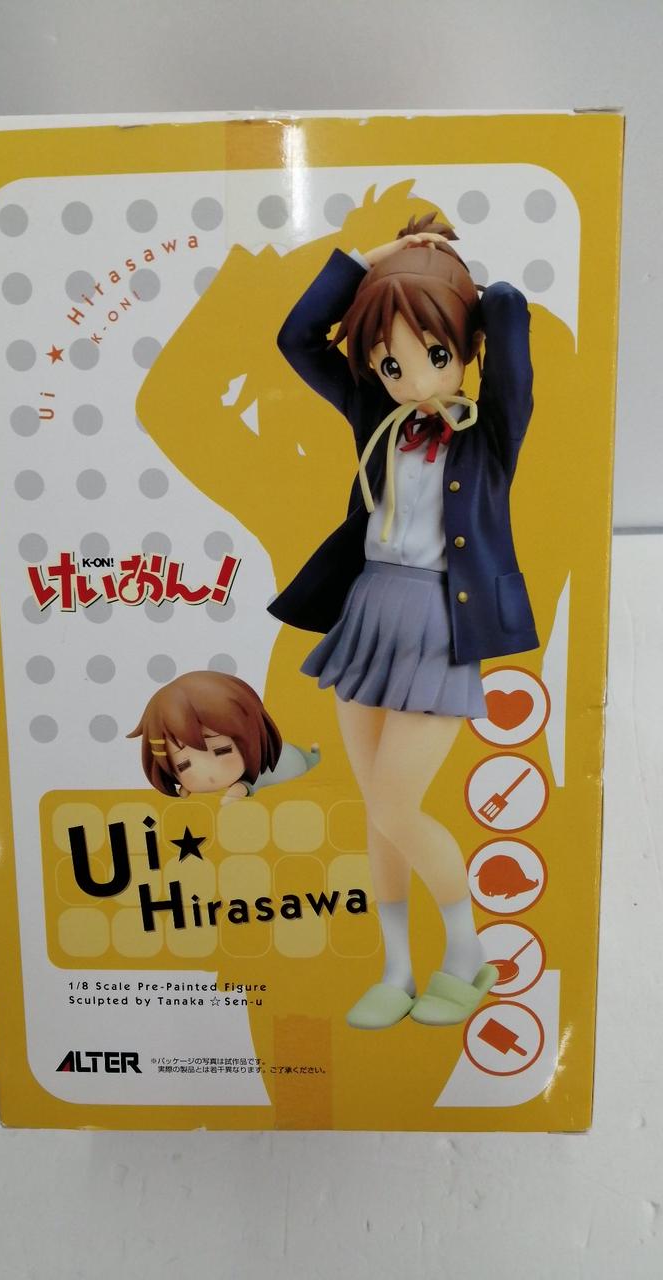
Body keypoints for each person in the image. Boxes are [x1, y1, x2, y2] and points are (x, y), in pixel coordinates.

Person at [269, 211, 538, 1029]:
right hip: (369, 613)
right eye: (391, 363)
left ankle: (467, 953)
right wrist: (373, 259)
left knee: (396, 805)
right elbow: (296, 339)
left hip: (442, 625)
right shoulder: (373, 415)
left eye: (434, 356)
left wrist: (446, 271)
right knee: (375, 811)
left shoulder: (491, 432)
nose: (415, 381)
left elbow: (508, 318)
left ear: (465, 348)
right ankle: (396, 969)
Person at [128, 669, 320, 804]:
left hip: (295, 760)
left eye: (222, 750)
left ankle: (313, 754)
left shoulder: (259, 772)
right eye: (183, 765)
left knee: (311, 759)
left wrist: (236, 792)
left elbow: (244, 788)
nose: (207, 772)